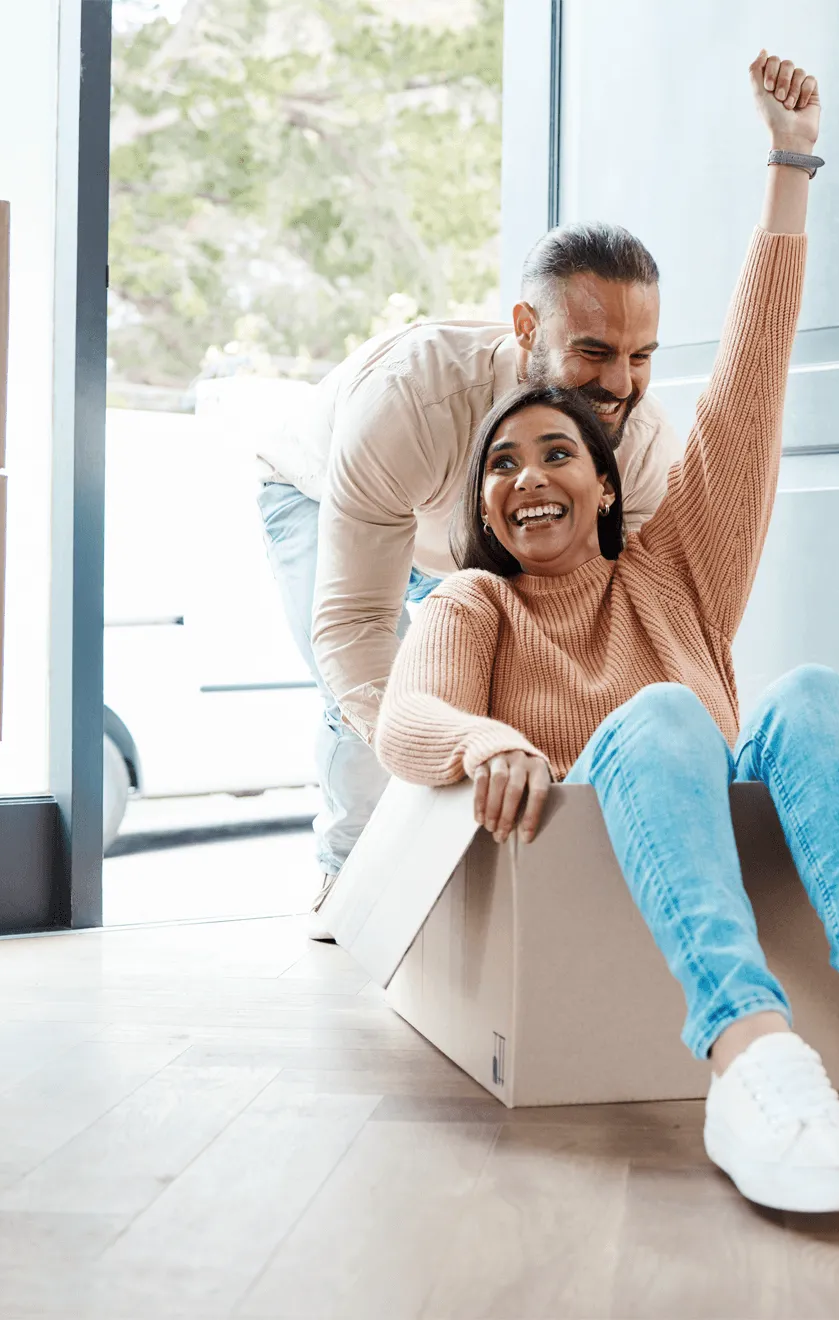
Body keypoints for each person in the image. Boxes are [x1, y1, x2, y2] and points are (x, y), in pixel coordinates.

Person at [374, 52, 839, 1213]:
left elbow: (753, 376)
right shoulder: (475, 605)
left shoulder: (681, 568)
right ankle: (750, 1055)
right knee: (664, 713)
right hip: (611, 840)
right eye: (500, 465)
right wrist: (482, 740)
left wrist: (791, 163)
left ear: (609, 484)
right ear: (480, 507)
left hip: (717, 800)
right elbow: (405, 717)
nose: (528, 477)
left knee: (811, 693)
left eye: (558, 452)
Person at [257, 191, 683, 930]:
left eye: (639, 356)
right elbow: (354, 627)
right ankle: (349, 879)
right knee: (373, 684)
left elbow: (614, 631)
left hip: (473, 540)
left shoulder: (639, 448)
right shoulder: (411, 400)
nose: (620, 385)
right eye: (593, 352)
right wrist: (448, 749)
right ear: (527, 329)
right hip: (318, 494)